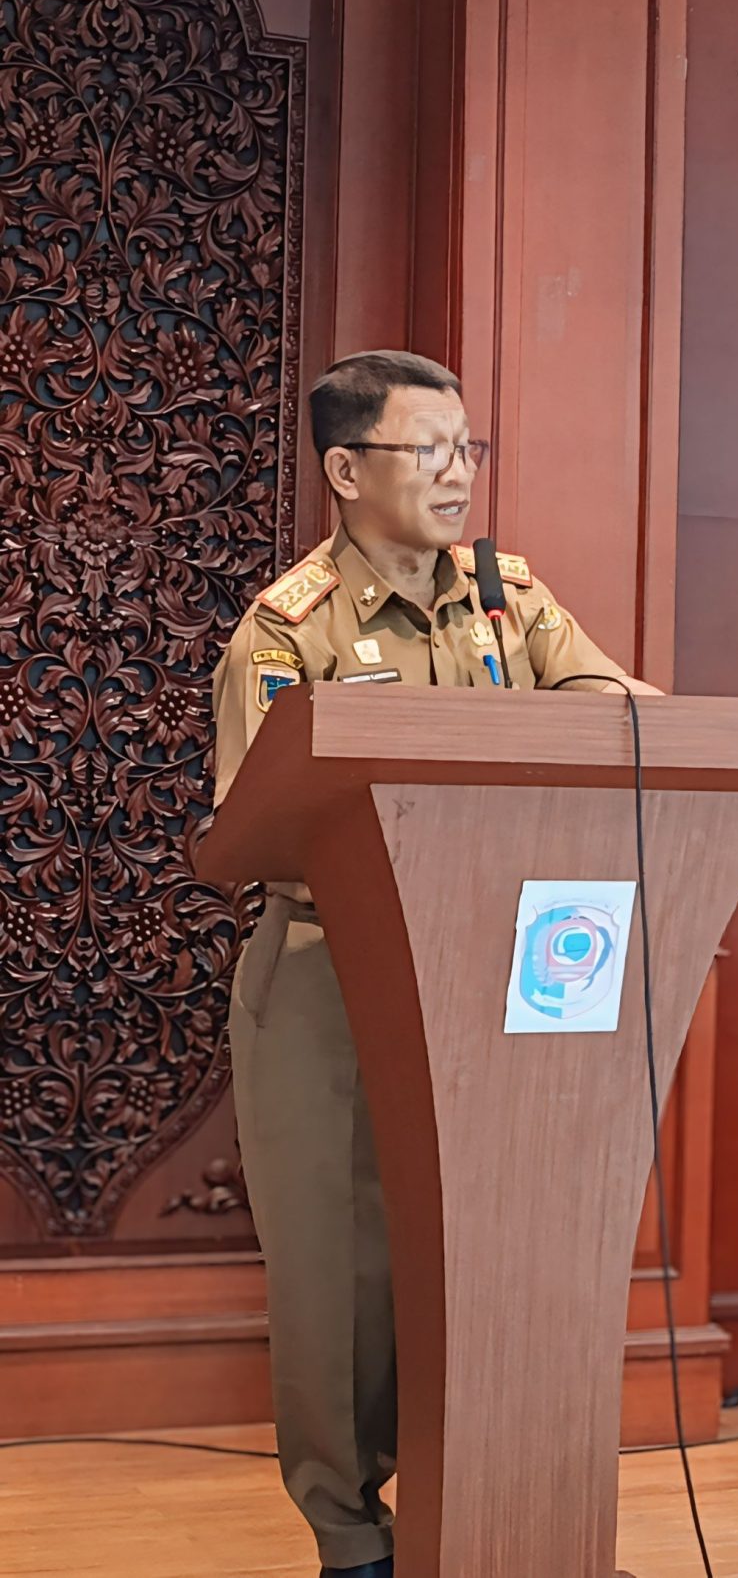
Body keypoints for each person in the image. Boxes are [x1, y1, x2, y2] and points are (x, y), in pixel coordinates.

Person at [210, 349, 658, 1578]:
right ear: (348, 470)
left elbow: (619, 704)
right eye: (430, 450)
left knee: (502, 1249)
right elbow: (264, 822)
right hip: (335, 972)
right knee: (344, 1273)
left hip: (504, 971)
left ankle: (499, 1516)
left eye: (469, 447)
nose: (461, 473)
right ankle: (354, 1538)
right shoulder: (290, 626)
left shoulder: (508, 596)